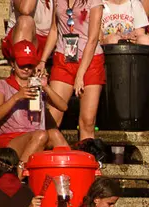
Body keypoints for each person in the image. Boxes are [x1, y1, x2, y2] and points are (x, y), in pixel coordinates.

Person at [0, 40, 69, 161]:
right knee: (41, 134)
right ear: (12, 63)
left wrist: (46, 87)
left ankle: (69, 170)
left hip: (38, 135)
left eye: (30, 65)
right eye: (22, 65)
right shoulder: (2, 85)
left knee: (55, 134)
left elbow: (63, 107)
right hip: (11, 138)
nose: (26, 69)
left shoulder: (37, 85)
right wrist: (16, 97)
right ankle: (20, 173)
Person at [40, 0, 105, 142]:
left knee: (87, 121)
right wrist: (43, 60)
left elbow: (93, 39)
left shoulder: (95, 2)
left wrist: (80, 74)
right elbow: (54, 30)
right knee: (52, 117)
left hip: (90, 60)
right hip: (63, 58)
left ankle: (86, 157)